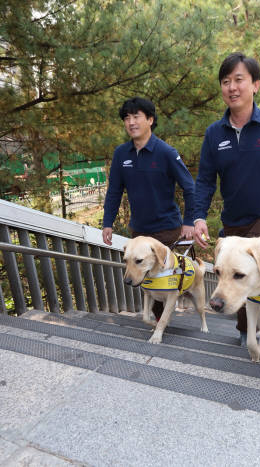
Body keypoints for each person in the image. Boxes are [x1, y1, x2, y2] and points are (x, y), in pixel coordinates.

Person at [193, 52, 260, 346]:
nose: (232, 87)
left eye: (239, 80)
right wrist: (198, 217)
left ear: (255, 85)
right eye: (226, 81)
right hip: (233, 224)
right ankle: (249, 331)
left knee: (256, 277)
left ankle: (259, 331)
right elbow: (205, 180)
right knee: (234, 277)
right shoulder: (214, 134)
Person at [102, 97, 195, 319]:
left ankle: (166, 325)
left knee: (165, 282)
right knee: (149, 284)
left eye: (136, 116)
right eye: (127, 118)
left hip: (167, 230)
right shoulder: (121, 154)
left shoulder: (166, 152)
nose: (131, 122)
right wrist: (107, 223)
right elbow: (114, 191)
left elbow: (190, 187)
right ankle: (162, 324)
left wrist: (190, 221)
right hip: (139, 232)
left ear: (150, 120)